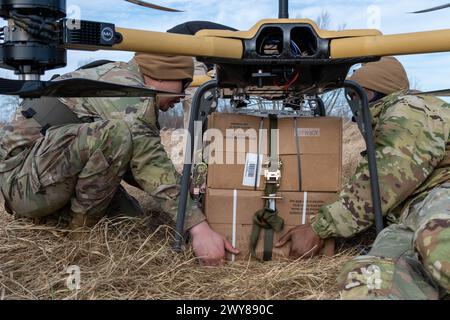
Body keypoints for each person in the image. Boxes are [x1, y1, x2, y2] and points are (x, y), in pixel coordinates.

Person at [0, 53, 239, 266]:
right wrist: (198, 227)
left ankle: (55, 218)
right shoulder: (129, 93)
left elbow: (135, 161)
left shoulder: (124, 82)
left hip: (42, 176)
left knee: (130, 220)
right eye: (182, 83)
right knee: (116, 134)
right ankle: (79, 238)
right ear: (162, 74)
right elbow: (149, 165)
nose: (181, 94)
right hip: (22, 186)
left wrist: (186, 189)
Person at [275, 57, 450, 299]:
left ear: (371, 94)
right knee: (368, 280)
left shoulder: (411, 108)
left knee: (438, 238)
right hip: (408, 217)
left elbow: (386, 178)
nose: (353, 107)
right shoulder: (386, 119)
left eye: (357, 97)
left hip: (441, 195)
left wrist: (320, 227)